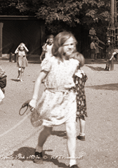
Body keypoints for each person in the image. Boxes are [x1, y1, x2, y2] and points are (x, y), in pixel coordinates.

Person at [28, 31, 80, 168]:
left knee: (71, 129)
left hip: (69, 99)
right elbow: (39, 79)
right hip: (51, 99)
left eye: (73, 44)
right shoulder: (50, 61)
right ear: (59, 45)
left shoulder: (75, 63)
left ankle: (72, 162)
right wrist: (34, 98)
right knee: (48, 130)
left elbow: (72, 77)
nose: (71, 47)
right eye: (68, 44)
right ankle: (39, 148)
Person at [71, 52, 88, 142]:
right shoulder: (83, 73)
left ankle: (72, 133)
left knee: (73, 116)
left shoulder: (73, 75)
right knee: (81, 116)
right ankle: (82, 134)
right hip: (82, 97)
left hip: (74, 98)